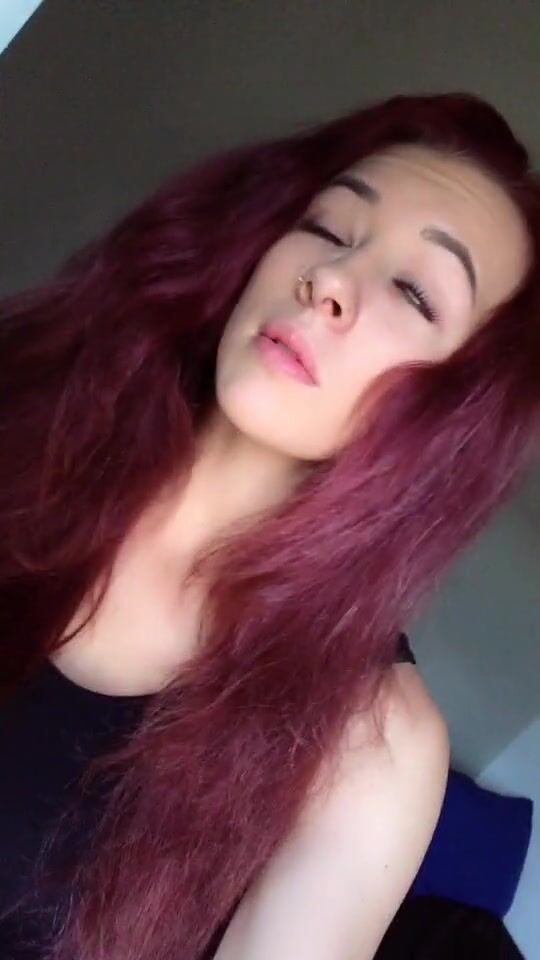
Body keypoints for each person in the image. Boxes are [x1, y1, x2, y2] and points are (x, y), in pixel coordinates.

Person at [0, 90, 539, 960]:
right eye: (329, 228)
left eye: (413, 291)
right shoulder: (29, 408)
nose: (329, 281)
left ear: (459, 419)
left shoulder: (373, 744)